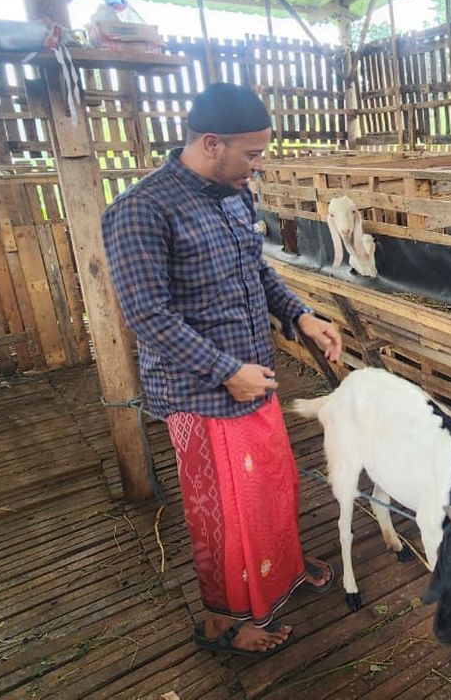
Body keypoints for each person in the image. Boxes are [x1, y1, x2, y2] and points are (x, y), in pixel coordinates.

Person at [101, 82, 343, 657]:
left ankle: (280, 572)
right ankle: (222, 619)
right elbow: (147, 316)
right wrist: (225, 370)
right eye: (252, 154)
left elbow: (255, 273)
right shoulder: (141, 210)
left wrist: (301, 316)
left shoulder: (235, 195)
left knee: (272, 486)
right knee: (222, 513)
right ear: (212, 143)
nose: (258, 167)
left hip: (252, 374)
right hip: (200, 392)